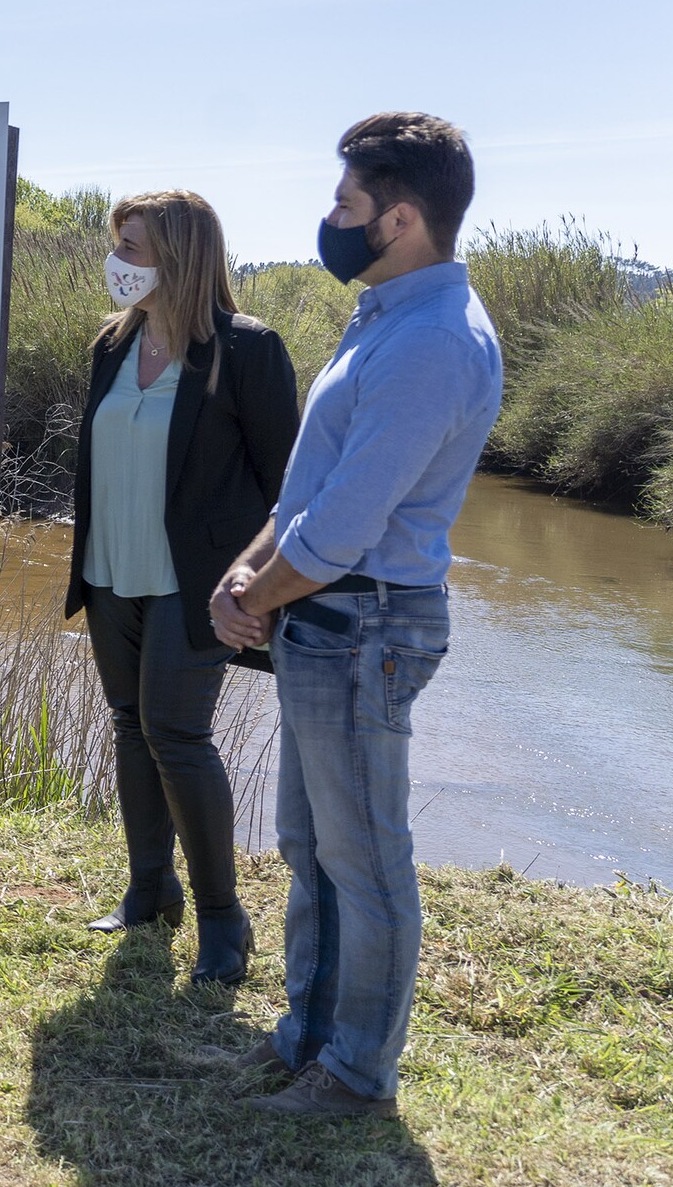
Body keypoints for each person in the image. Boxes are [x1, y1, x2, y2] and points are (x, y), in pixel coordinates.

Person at [209, 113, 502, 1117]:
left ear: (403, 218)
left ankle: (357, 1073)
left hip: (366, 623)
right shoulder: (385, 318)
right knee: (310, 842)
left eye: (346, 206)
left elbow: (342, 526)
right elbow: (307, 491)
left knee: (364, 856)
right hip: (328, 620)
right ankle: (309, 1038)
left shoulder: (431, 341)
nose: (330, 222)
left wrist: (254, 594)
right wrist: (245, 568)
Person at [64, 190, 299, 985]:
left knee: (177, 734)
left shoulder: (247, 351)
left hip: (192, 585)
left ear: (180, 256)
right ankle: (149, 890)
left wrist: (259, 585)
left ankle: (224, 921)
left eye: (133, 248)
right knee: (131, 724)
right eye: (118, 245)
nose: (118, 263)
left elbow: (287, 485)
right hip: (108, 570)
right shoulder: (110, 345)